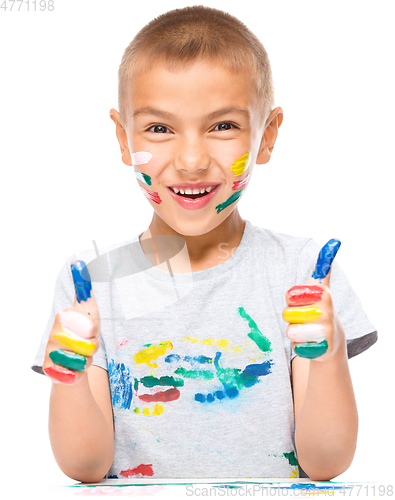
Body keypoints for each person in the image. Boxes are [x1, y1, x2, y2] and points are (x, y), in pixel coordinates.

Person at [31, 5, 377, 483]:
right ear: (124, 138)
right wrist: (69, 375)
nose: (192, 160)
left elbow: (327, 463)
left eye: (223, 127)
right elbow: (84, 467)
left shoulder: (302, 274)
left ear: (266, 136)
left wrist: (330, 350)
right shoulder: (92, 283)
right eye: (159, 128)